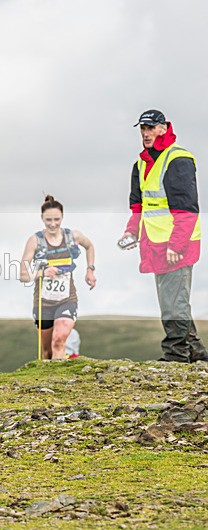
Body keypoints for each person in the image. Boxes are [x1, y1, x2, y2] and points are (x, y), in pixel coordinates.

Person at [118, 110, 208, 363]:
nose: (145, 133)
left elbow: (187, 208)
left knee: (172, 302)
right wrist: (131, 231)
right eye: (142, 129)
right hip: (155, 244)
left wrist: (177, 244)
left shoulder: (178, 159)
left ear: (163, 128)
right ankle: (196, 350)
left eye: (150, 128)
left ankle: (176, 354)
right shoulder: (141, 164)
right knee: (173, 299)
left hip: (177, 244)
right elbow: (139, 206)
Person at [20, 195, 96, 360]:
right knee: (47, 352)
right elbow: (23, 275)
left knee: (59, 341)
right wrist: (42, 273)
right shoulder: (35, 241)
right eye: (48, 220)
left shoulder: (72, 236)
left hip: (67, 299)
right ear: (42, 219)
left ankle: (59, 380)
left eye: (57, 219)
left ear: (62, 217)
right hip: (43, 303)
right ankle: (48, 379)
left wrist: (90, 269)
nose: (53, 224)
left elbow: (89, 246)